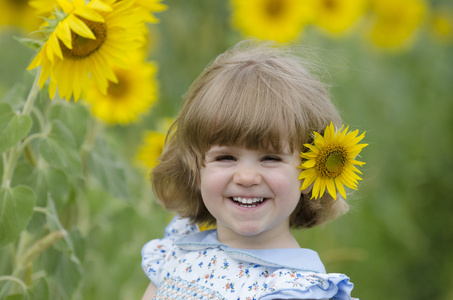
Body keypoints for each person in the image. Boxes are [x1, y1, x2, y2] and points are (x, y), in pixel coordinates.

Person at [141, 40, 362, 299]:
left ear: (313, 173)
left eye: (270, 158)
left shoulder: (294, 289)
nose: (246, 177)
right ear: (194, 169)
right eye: (225, 157)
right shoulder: (179, 248)